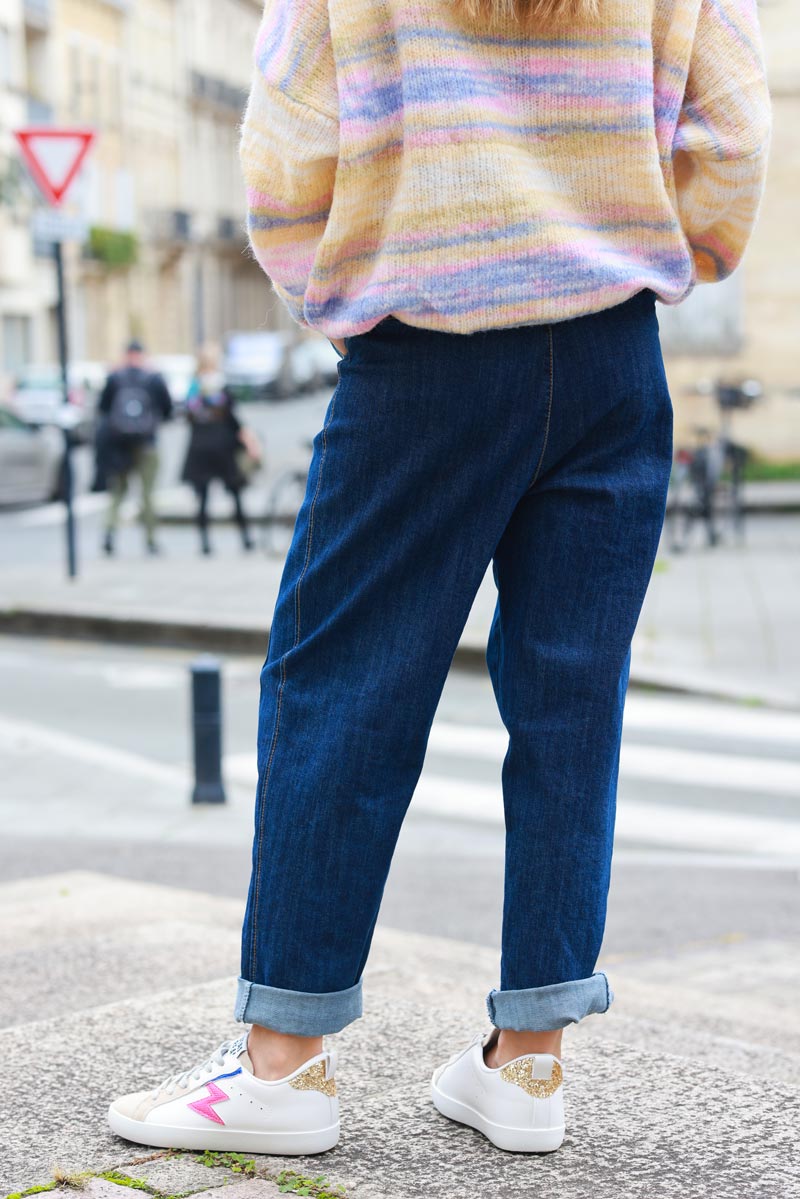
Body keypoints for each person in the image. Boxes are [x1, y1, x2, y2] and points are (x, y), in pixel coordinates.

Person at [108, 0, 770, 1158]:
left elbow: (286, 151)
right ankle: (529, 1062)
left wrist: (349, 294)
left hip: (426, 350)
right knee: (571, 701)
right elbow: (729, 141)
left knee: (343, 689)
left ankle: (282, 1060)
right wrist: (654, 249)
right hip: (615, 351)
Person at [98, 339, 173, 556]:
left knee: (118, 492)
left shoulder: (114, 378)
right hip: (147, 444)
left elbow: (103, 409)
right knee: (147, 494)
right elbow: (167, 410)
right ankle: (150, 540)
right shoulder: (153, 379)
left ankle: (109, 534)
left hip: (119, 445)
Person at [181, 346, 257, 555]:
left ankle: (205, 543)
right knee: (235, 493)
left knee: (203, 498)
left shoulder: (192, 389)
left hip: (200, 448)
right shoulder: (221, 387)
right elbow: (233, 419)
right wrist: (248, 440)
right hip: (223, 447)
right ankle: (246, 539)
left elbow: (187, 418)